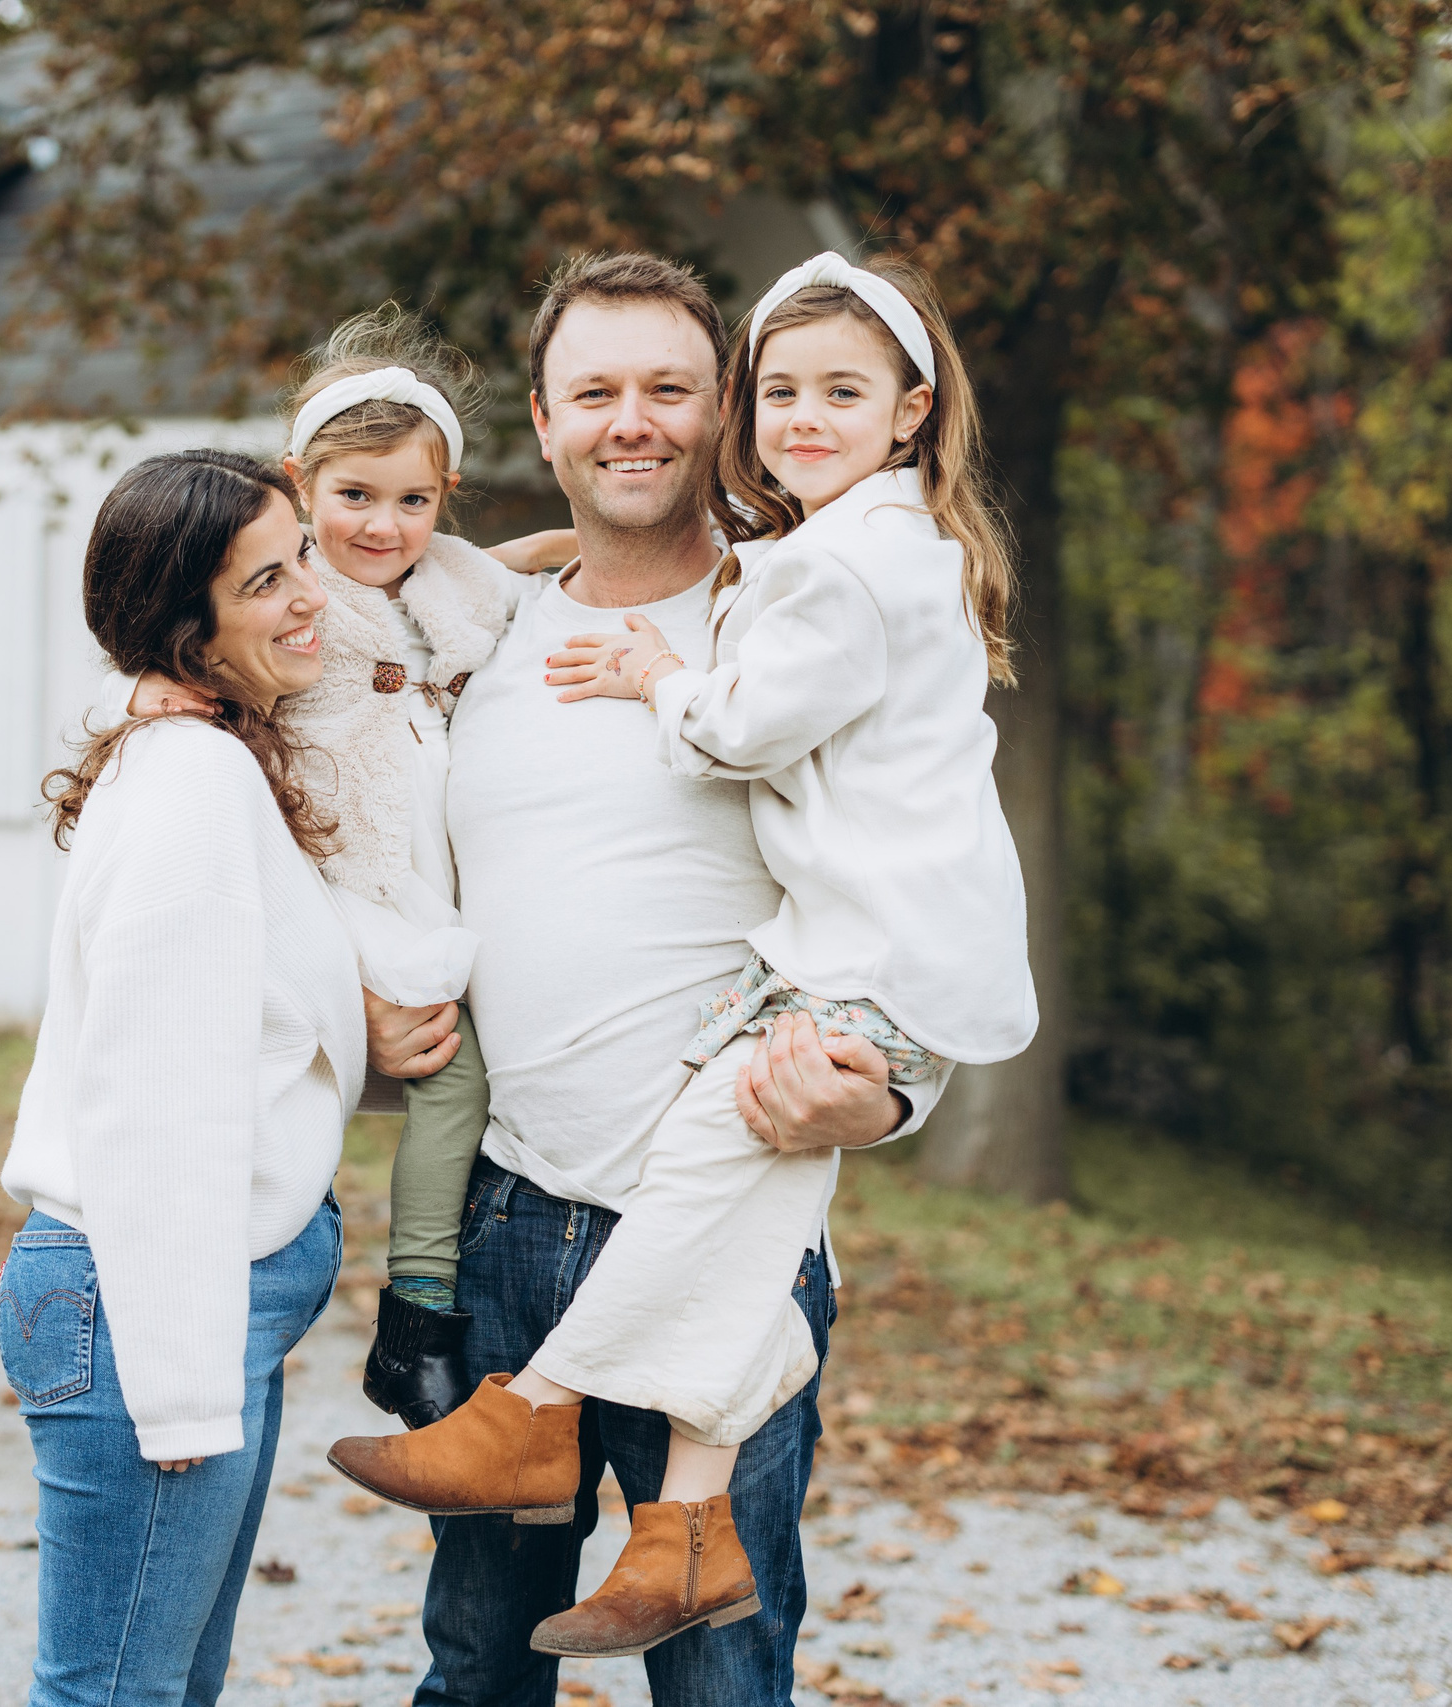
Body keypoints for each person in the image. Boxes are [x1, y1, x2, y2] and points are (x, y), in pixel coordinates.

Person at [328, 253, 1037, 1662]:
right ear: (541, 421)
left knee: (720, 1672)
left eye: (670, 387)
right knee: (477, 1662)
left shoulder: (801, 614)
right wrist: (354, 1006)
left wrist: (890, 1097)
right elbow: (344, 815)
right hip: (508, 1217)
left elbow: (923, 888)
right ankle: (523, 1419)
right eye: (595, 391)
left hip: (722, 1222)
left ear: (724, 413)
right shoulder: (483, 631)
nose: (631, 420)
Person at [108, 307, 578, 1431]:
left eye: (413, 500)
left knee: (470, 1066)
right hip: (336, 871)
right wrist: (142, 689)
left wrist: (598, 547)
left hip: (429, 874)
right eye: (354, 496)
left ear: (445, 496)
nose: (382, 524)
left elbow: (509, 572)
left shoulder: (454, 581)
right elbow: (191, 647)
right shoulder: (287, 588)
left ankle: (405, 1287)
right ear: (299, 482)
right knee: (442, 1074)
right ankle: (415, 1310)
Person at [0, 449, 365, 1707]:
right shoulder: (194, 784)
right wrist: (185, 1398)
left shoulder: (195, 753)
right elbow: (154, 1108)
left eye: (302, 552)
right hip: (152, 1302)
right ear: (185, 626)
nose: (312, 592)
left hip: (170, 1297)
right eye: (267, 579)